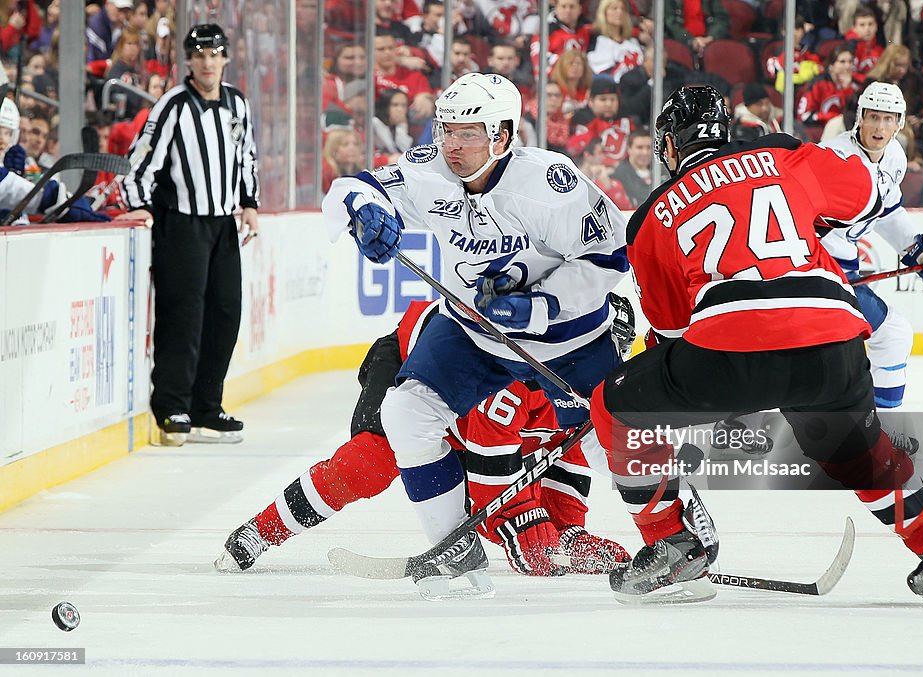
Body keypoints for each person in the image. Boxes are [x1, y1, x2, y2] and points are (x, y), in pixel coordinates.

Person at [582, 85, 923, 606]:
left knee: (615, 408)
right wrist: (835, 219)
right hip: (832, 339)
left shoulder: (650, 219)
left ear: (669, 146)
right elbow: (865, 189)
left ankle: (672, 545)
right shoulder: (782, 153)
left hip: (729, 351)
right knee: (854, 449)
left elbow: (674, 331)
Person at [322, 72, 628, 600]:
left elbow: (608, 258)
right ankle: (455, 554)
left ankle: (677, 533)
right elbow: (352, 186)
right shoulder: (428, 171)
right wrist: (362, 212)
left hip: (562, 336)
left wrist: (537, 306)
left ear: (502, 135)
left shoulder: (551, 183)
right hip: (473, 331)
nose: (451, 145)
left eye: (467, 133)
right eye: (445, 130)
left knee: (607, 434)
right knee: (406, 412)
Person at [215, 298, 634, 576]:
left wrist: (565, 534)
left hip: (474, 411)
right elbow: (492, 474)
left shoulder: (591, 386)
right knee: (368, 463)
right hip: (413, 365)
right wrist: (520, 526)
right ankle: (261, 530)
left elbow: (566, 458)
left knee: (513, 481)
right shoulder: (519, 366)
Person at [117, 24, 260, 446]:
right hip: (182, 223)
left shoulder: (237, 103)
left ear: (225, 57)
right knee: (182, 315)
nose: (207, 61)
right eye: (199, 54)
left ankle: (206, 405)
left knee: (225, 312)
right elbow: (141, 160)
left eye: (214, 53)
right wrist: (138, 202)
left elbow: (245, 156)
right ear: (189, 61)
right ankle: (172, 405)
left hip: (222, 224)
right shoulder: (173, 105)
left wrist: (250, 202)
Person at [819, 82, 923, 415]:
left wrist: (918, 250)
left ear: (900, 123)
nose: (880, 128)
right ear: (860, 119)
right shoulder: (834, 158)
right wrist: (834, 270)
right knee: (887, 337)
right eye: (874, 117)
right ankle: (878, 437)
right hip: (815, 269)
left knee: (887, 338)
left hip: (837, 271)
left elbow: (888, 211)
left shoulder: (894, 155)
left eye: (888, 119)